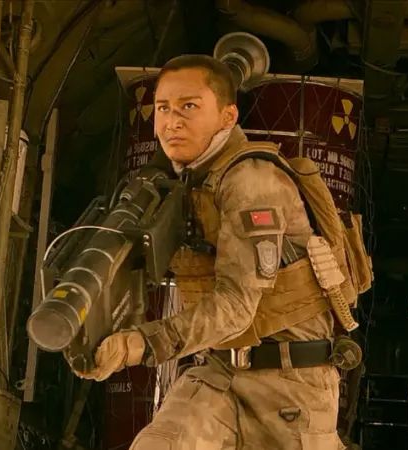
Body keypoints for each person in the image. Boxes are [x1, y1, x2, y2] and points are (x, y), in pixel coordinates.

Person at [74, 54, 347, 449]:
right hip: (220, 371)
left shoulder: (251, 181)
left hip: (291, 385)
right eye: (163, 108)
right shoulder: (186, 181)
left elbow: (236, 307)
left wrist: (141, 343)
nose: (172, 122)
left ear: (227, 116)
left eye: (189, 106)